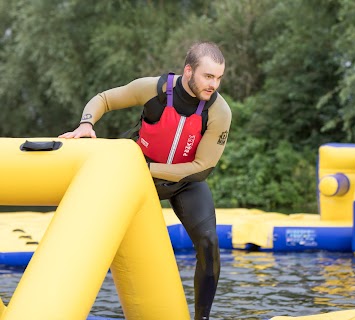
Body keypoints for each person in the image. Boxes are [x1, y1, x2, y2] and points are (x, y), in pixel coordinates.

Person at [59, 41, 231, 320]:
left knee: (209, 243)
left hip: (183, 182)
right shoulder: (156, 89)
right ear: (189, 71)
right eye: (208, 76)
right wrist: (87, 123)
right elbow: (104, 99)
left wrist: (147, 168)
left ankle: (202, 318)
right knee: (93, 239)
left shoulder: (219, 112)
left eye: (219, 78)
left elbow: (201, 169)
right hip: (136, 179)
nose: (214, 85)